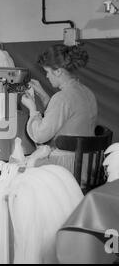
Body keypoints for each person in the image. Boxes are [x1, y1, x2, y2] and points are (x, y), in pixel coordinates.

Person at [21, 44, 98, 184]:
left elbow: (40, 135)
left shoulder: (62, 98)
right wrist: (43, 96)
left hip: (68, 169)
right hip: (88, 166)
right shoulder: (87, 92)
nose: (46, 76)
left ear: (58, 71)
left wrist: (32, 109)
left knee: (20, 170)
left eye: (48, 72)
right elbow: (67, 115)